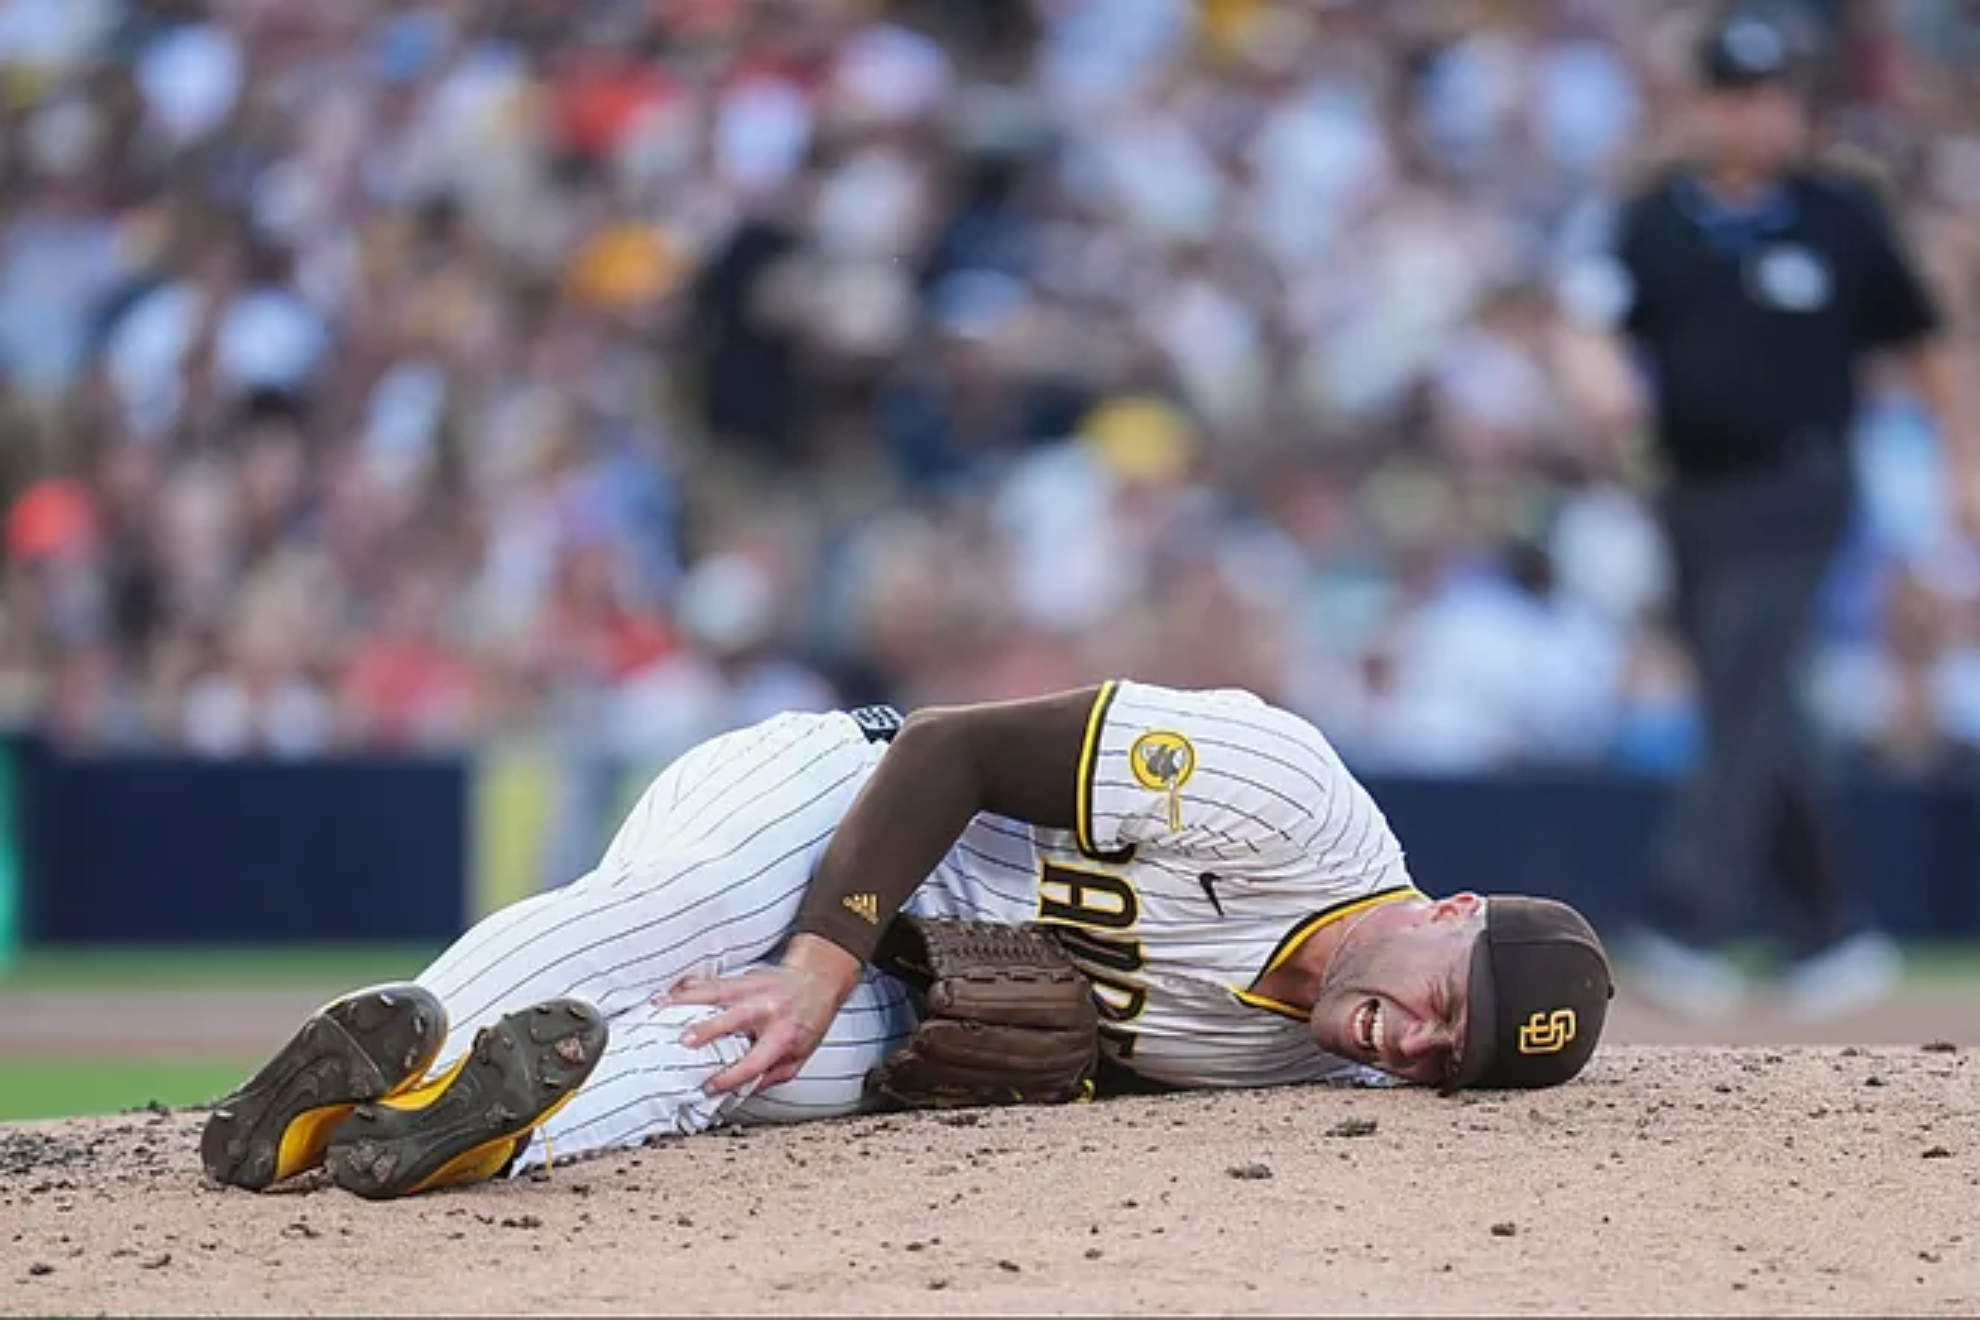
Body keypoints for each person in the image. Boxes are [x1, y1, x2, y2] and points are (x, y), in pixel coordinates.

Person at [200, 682, 1614, 1201]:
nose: (1420, 1042)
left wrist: (828, 1006)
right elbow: (956, 751)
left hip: (917, 994)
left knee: (729, 1065)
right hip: (852, 805)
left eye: (1452, 1061)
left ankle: (449, 1127)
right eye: (1449, 999)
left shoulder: (1326, 1073)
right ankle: (412, 1034)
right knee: (684, 906)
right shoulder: (1287, 798)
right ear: (1450, 910)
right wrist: (816, 961)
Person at [1577, 4, 1978, 1018]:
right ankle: (1828, 930)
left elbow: (1926, 349)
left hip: (1800, 488)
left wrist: (1963, 466)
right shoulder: (1656, 217)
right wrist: (1600, 379)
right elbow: (1589, 323)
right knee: (1758, 705)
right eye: (1740, 96)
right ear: (1706, 105)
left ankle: (1685, 915)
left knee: (1749, 671)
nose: (1761, 117)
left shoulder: (1843, 214)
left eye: (1778, 97)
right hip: (1689, 493)